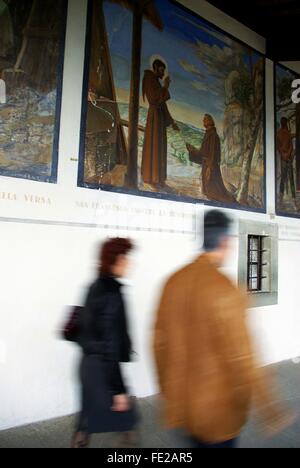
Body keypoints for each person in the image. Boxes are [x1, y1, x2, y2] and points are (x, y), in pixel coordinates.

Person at [153, 210, 292, 449]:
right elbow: (244, 357)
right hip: (218, 415)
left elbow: (158, 344)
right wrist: (271, 409)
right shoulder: (226, 289)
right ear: (226, 241)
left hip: (184, 409)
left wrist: (171, 394)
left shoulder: (172, 282)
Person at [72, 238, 139, 448]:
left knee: (86, 419)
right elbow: (109, 345)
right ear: (117, 260)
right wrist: (118, 389)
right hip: (103, 368)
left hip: (86, 365)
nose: (130, 263)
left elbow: (88, 330)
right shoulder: (112, 293)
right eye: (126, 258)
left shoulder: (94, 286)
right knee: (126, 415)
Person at [141, 58, 179, 187]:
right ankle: (150, 177)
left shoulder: (156, 81)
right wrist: (166, 86)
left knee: (159, 146)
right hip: (154, 118)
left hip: (160, 118)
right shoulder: (149, 78)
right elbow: (154, 99)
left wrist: (172, 122)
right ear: (155, 68)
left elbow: (162, 105)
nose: (163, 74)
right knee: (154, 145)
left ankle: (157, 177)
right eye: (161, 71)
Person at [186, 114, 236, 204]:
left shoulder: (213, 135)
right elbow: (203, 152)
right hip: (207, 163)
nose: (203, 122)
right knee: (210, 187)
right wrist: (192, 150)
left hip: (211, 165)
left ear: (209, 122)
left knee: (214, 186)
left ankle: (218, 199)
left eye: (205, 120)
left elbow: (212, 152)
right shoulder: (208, 134)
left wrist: (210, 166)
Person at [277, 117, 296, 207]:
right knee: (283, 179)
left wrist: (288, 154)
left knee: (291, 179)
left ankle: (294, 200)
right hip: (283, 159)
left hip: (287, 159)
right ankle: (280, 201)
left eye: (284, 122)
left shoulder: (288, 133)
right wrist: (283, 154)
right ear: (281, 123)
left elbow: (291, 146)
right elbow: (278, 146)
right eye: (283, 122)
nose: (283, 123)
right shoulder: (279, 133)